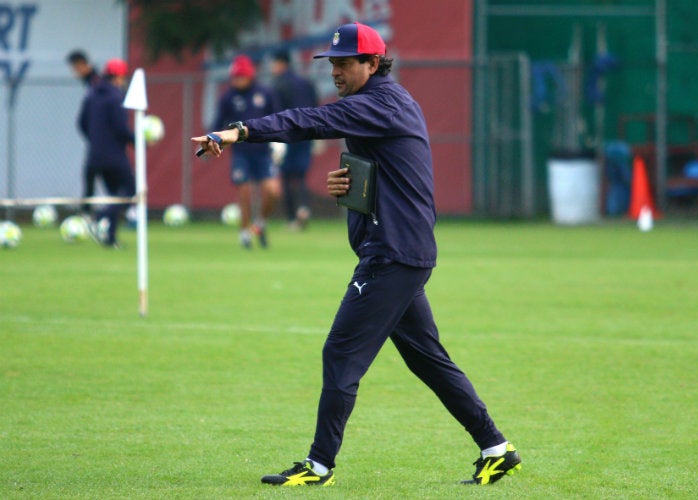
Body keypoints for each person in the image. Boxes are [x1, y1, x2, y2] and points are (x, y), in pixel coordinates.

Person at [191, 22, 521, 486]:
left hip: (393, 255)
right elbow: (387, 176)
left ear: (373, 63)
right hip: (400, 248)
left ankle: (319, 465)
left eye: (346, 63)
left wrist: (238, 132)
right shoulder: (379, 103)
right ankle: (497, 448)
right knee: (427, 358)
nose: (337, 72)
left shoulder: (380, 103)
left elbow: (308, 121)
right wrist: (347, 188)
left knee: (340, 353)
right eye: (333, 64)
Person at [212, 54, 282, 248]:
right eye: (235, 76)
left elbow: (278, 118)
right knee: (245, 192)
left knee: (273, 191)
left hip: (264, 152)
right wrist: (212, 140)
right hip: (241, 152)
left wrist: (279, 142)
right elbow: (218, 122)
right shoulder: (228, 96)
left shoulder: (265, 93)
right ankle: (244, 231)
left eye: (241, 76)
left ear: (250, 75)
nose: (238, 80)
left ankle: (259, 223)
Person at [77, 58, 135, 248]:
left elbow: (82, 123)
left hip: (94, 155)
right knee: (129, 192)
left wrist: (96, 140)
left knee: (114, 196)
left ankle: (110, 238)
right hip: (114, 156)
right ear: (118, 76)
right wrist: (137, 141)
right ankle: (99, 219)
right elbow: (120, 129)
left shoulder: (92, 93)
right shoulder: (116, 97)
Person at [270, 49, 319, 230]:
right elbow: (315, 106)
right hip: (306, 134)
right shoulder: (306, 83)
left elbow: (276, 113)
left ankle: (291, 218)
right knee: (301, 176)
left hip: (287, 136)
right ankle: (304, 208)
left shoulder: (279, 84)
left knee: (286, 176)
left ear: (281, 63)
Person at [67, 49, 100, 216]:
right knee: (90, 176)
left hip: (101, 142)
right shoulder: (90, 82)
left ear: (82, 64)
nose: (75, 72)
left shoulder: (96, 82)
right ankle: (87, 212)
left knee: (114, 178)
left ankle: (130, 212)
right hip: (96, 141)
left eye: (75, 67)